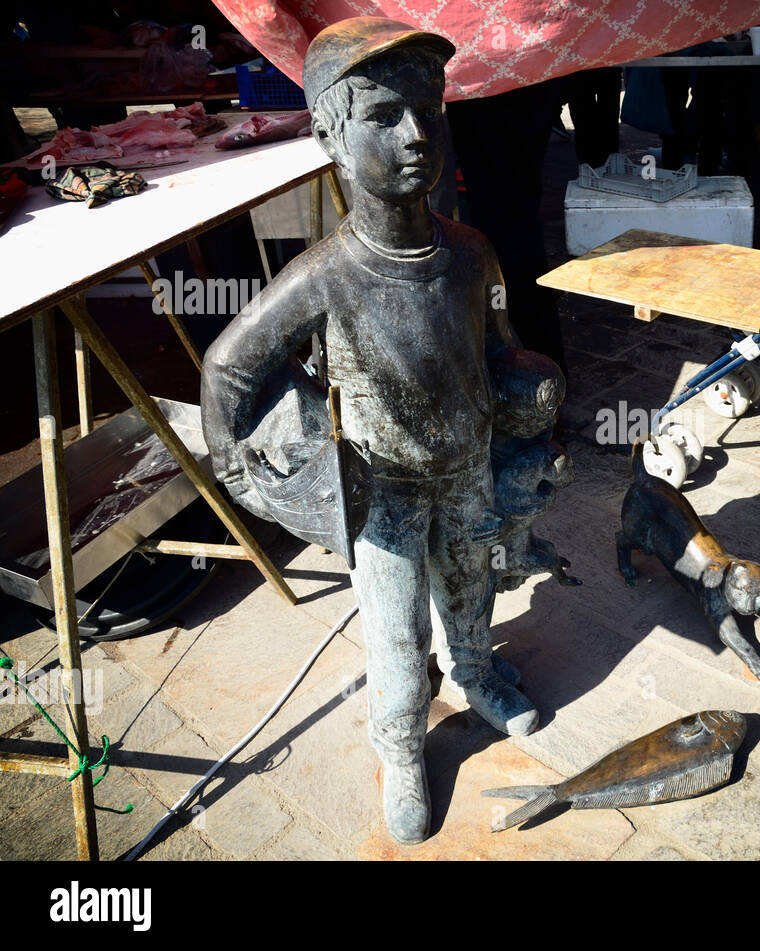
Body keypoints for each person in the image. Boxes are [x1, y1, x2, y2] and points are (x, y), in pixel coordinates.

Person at [200, 17, 557, 844]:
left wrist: (532, 392)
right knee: (395, 640)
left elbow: (496, 347)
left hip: (467, 471)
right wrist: (248, 471)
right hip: (382, 494)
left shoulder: (472, 254)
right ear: (329, 133)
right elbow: (229, 366)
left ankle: (475, 672)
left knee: (472, 592)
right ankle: (400, 745)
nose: (416, 135)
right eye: (384, 116)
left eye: (430, 110)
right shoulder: (325, 275)